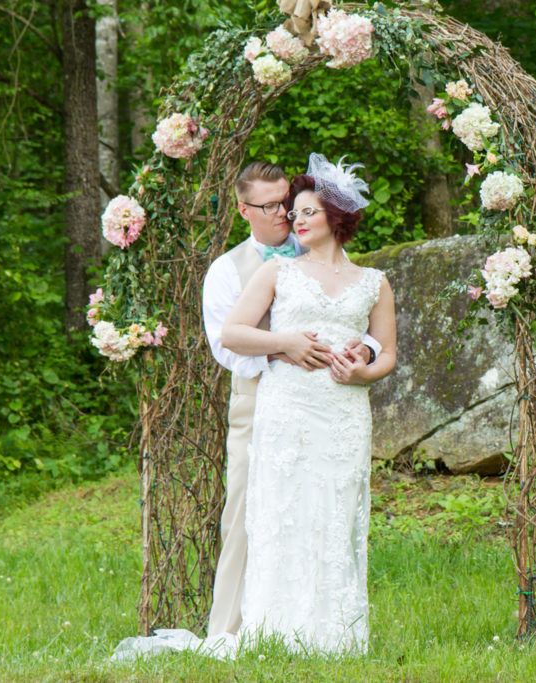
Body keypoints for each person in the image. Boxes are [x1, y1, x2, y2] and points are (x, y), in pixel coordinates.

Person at [219, 153, 396, 654]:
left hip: (342, 412)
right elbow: (233, 333)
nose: (294, 219)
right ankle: (274, 631)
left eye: (306, 211)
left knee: (335, 513)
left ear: (336, 218)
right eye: (292, 213)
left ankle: (335, 635)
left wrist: (363, 369)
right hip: (288, 408)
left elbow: (387, 355)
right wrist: (285, 342)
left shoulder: (374, 282)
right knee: (285, 512)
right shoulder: (278, 273)